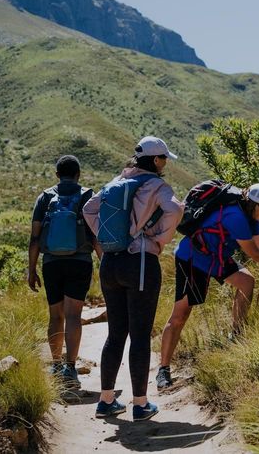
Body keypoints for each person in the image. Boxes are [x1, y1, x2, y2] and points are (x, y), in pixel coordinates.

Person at [156, 183, 259, 389]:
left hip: (217, 257)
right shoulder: (235, 216)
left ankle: (236, 335)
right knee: (180, 315)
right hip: (193, 258)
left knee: (246, 281)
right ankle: (163, 370)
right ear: (255, 204)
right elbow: (255, 254)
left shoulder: (251, 216)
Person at [82, 136, 183, 421]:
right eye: (163, 158)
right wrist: (156, 237)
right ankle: (140, 404)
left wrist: (109, 238)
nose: (165, 163)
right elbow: (176, 209)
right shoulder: (157, 186)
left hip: (110, 263)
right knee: (139, 334)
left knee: (115, 334)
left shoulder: (116, 182)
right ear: (154, 160)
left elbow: (89, 209)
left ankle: (106, 401)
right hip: (139, 262)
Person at [28, 154, 99, 390]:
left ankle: (56, 365)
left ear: (57, 175)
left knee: (55, 315)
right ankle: (71, 368)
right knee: (73, 316)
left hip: (51, 263)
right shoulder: (88, 196)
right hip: (80, 261)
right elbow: (96, 235)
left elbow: (35, 238)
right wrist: (105, 263)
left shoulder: (45, 197)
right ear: (78, 174)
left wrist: (31, 270)